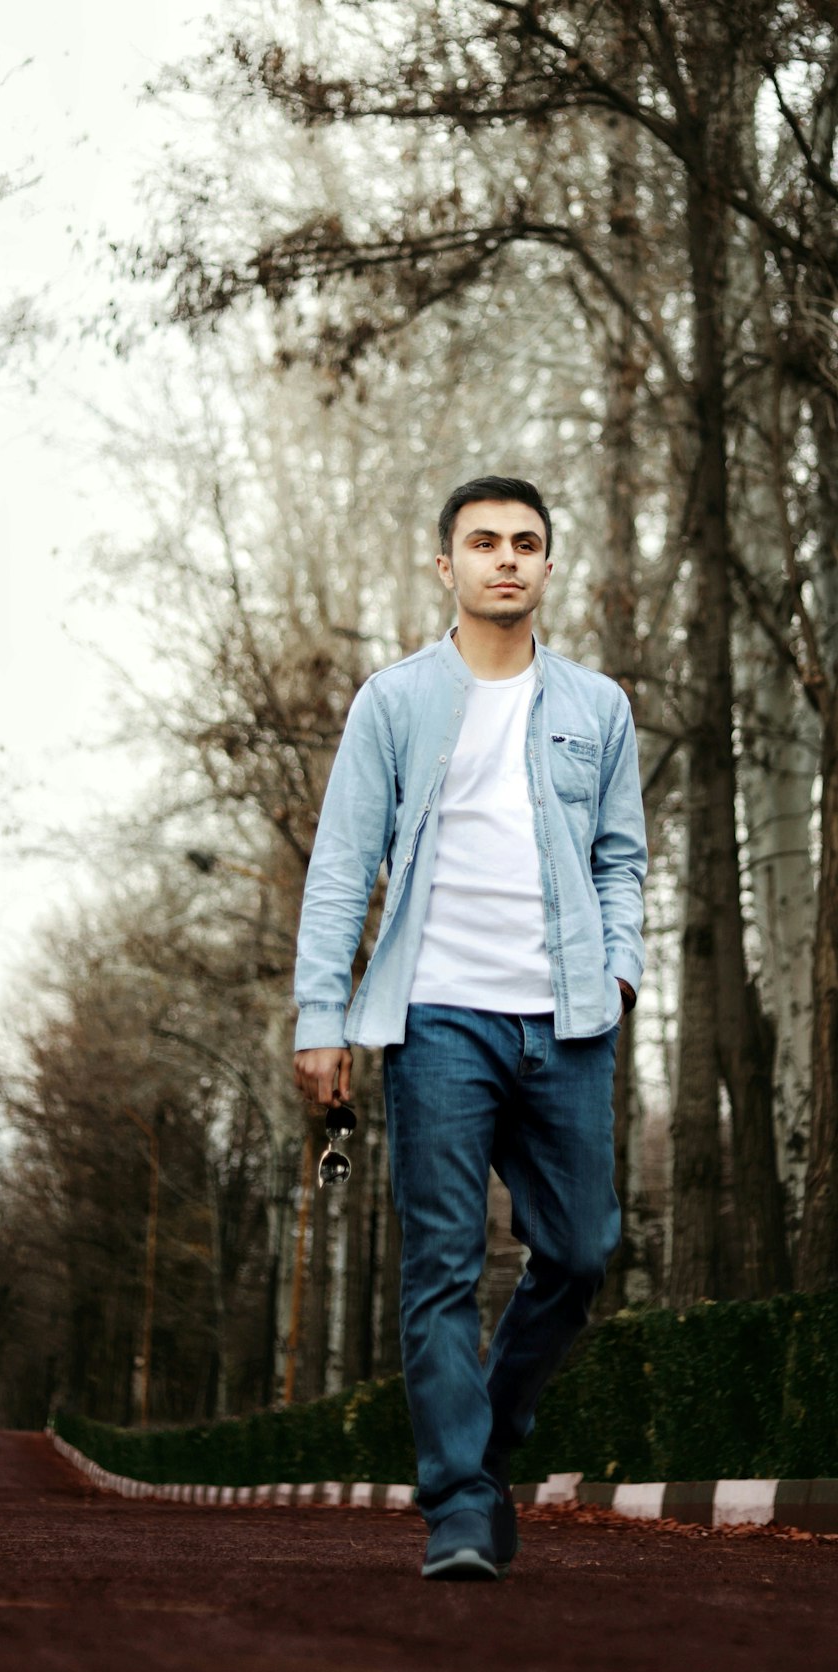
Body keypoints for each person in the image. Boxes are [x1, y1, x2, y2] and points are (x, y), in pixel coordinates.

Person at [293, 475, 647, 1581]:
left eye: (525, 542)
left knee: (580, 1250)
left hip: (568, 1020)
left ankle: (481, 1443)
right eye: (483, 541)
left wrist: (622, 971)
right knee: (442, 1262)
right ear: (445, 566)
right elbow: (344, 865)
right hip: (437, 1014)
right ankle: (457, 1504)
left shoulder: (597, 706)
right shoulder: (393, 701)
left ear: (548, 565)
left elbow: (620, 858)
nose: (506, 558)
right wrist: (322, 1016)